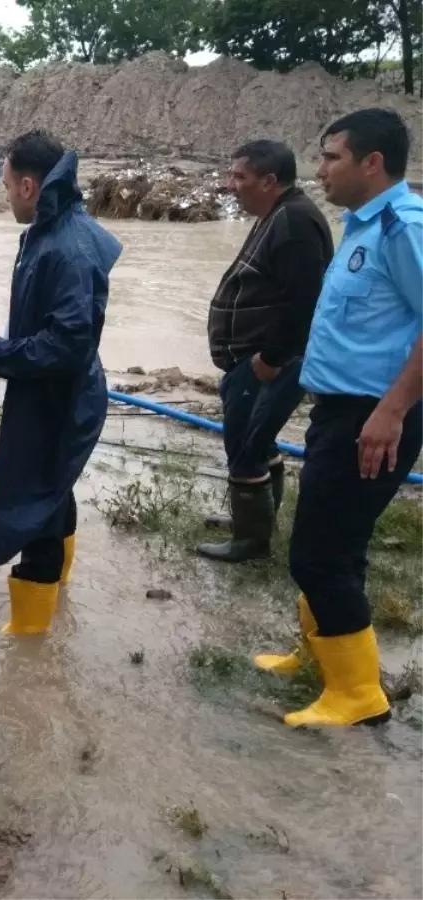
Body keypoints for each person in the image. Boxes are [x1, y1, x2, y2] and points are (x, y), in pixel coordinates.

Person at [253, 108, 423, 728]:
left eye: (331, 157)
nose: (319, 169)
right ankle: (324, 659)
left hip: (371, 415)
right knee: (336, 545)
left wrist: (392, 410)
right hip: (341, 409)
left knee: (318, 555)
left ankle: (358, 697)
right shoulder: (362, 226)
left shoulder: (405, 228)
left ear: (371, 163)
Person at [0, 131, 120, 635]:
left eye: (6, 187)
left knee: (37, 501)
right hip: (56, 390)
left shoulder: (64, 246)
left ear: (29, 186)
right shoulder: (56, 227)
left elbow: (65, 345)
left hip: (59, 395)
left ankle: (29, 634)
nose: (5, 196)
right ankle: (57, 595)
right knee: (53, 487)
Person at [197, 140, 334, 563]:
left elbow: (303, 301)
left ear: (269, 181)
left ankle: (251, 543)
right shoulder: (279, 213)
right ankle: (255, 522)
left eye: (240, 177)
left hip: (269, 363)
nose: (230, 186)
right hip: (258, 359)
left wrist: (270, 359)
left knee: (245, 444)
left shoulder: (293, 222)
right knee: (258, 439)